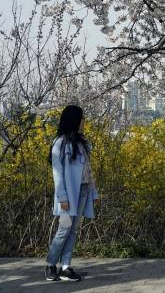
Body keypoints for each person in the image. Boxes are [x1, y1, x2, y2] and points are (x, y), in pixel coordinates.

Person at [45, 105, 99, 282]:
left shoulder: (81, 143)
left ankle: (66, 267)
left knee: (73, 231)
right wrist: (62, 197)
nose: (84, 122)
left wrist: (93, 191)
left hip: (82, 191)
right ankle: (51, 265)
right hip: (67, 195)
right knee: (64, 229)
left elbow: (87, 170)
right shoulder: (60, 143)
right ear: (74, 120)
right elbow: (57, 173)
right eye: (82, 119)